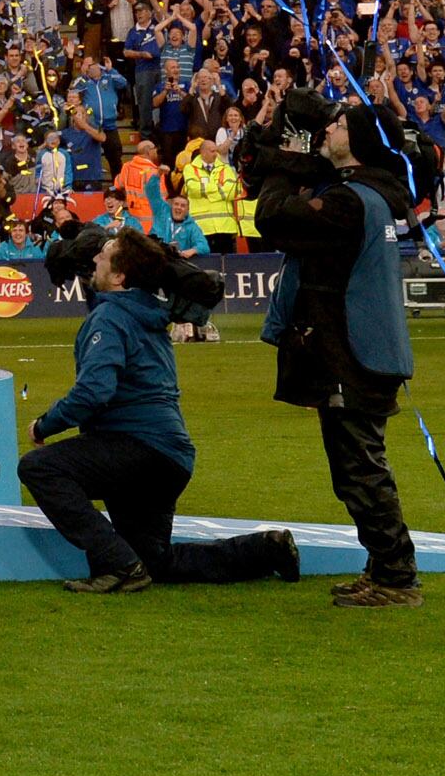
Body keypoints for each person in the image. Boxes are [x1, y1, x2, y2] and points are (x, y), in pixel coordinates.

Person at [18, 226, 303, 592]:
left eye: (102, 257)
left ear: (119, 276)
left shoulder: (109, 318)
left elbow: (94, 391)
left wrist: (44, 425)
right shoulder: (148, 313)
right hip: (169, 456)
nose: (93, 261)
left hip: (138, 450)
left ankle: (120, 565)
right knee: (155, 561)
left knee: (39, 468)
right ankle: (264, 550)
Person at [244, 93, 423, 608]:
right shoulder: (369, 194)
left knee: (360, 470)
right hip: (360, 347)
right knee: (358, 468)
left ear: (362, 141)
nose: (329, 130)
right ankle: (383, 567)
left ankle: (396, 577)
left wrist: (279, 163)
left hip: (352, 349)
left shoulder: (348, 200)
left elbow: (274, 219)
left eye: (340, 124)